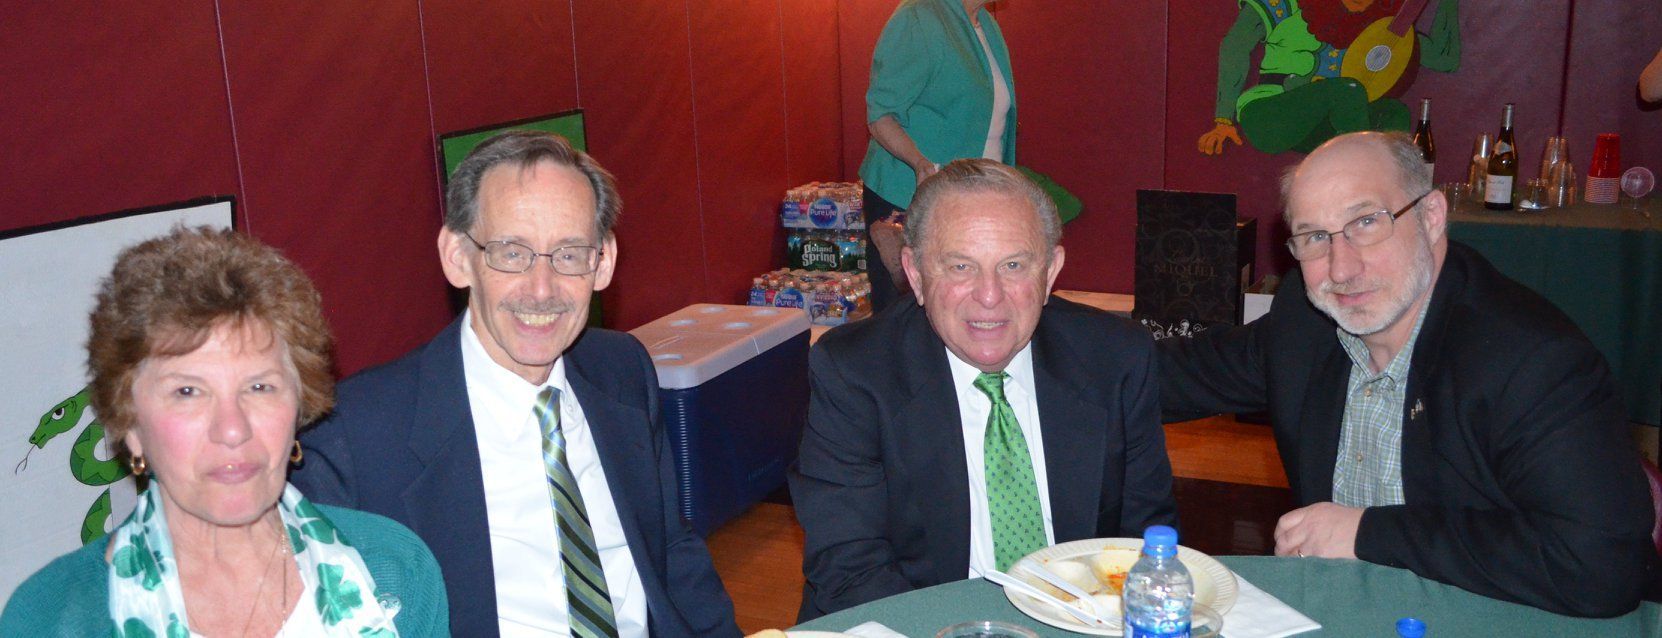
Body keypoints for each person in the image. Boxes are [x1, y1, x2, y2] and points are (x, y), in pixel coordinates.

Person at [1160, 131, 1656, 617]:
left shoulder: (1530, 360)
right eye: (1315, 237)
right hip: (1360, 613)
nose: (1341, 267)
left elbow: (1604, 565)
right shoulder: (1306, 321)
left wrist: (1367, 534)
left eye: (1367, 222)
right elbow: (1168, 375)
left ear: (1432, 216)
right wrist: (1080, 338)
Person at [289, 131, 740, 637]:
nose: (541, 290)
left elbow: (671, 551)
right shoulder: (359, 432)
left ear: (604, 262)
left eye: (569, 254)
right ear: (458, 257)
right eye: (511, 252)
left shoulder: (622, 370)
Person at [0, 227, 448, 636]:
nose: (232, 430)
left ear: (299, 406)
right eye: (188, 392)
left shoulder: (395, 568)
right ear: (129, 423)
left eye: (259, 386)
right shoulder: (50, 617)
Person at [790, 159, 1177, 620]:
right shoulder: (855, 371)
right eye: (960, 266)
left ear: (1050, 271)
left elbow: (1147, 541)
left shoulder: (1115, 357)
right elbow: (850, 567)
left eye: (1013, 265)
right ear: (914, 273)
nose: (989, 296)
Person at [860, 0, 1017, 312]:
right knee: (908, 317)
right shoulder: (918, 16)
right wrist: (920, 164)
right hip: (909, 197)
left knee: (960, 309)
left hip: (970, 198)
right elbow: (881, 114)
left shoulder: (985, 23)